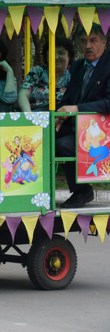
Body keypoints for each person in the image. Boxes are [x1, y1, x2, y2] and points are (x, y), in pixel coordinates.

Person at [55, 29, 110, 208]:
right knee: (43, 135)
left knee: (63, 145)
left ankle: (82, 191)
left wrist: (77, 108)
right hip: (78, 126)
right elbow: (69, 97)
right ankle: (35, 191)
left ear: (104, 41)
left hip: (102, 131)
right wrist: (60, 116)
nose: (88, 46)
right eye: (83, 41)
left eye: (93, 40)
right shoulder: (78, 66)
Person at [18, 36, 73, 112]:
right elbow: (23, 94)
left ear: (69, 56)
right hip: (36, 117)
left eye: (61, 53)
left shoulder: (74, 73)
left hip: (64, 119)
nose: (56, 57)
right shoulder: (37, 71)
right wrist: (28, 116)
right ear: (46, 56)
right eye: (52, 53)